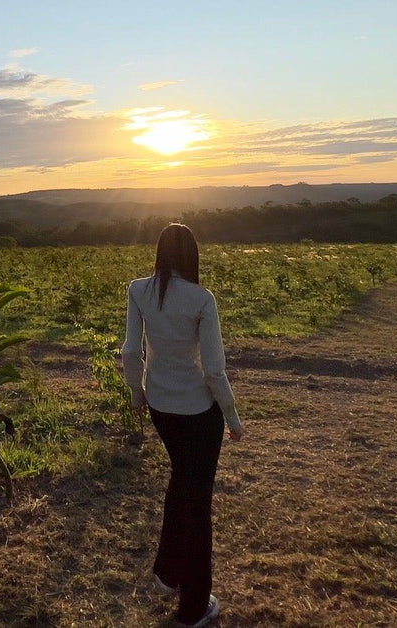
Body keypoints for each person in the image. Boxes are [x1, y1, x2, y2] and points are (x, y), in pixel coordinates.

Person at [121, 224, 243, 628]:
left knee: (181, 482)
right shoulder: (201, 299)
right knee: (198, 503)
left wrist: (137, 395)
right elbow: (214, 371)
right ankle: (193, 607)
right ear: (192, 256)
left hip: (160, 406)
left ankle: (167, 571)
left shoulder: (139, 290)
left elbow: (131, 351)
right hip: (198, 413)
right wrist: (232, 417)